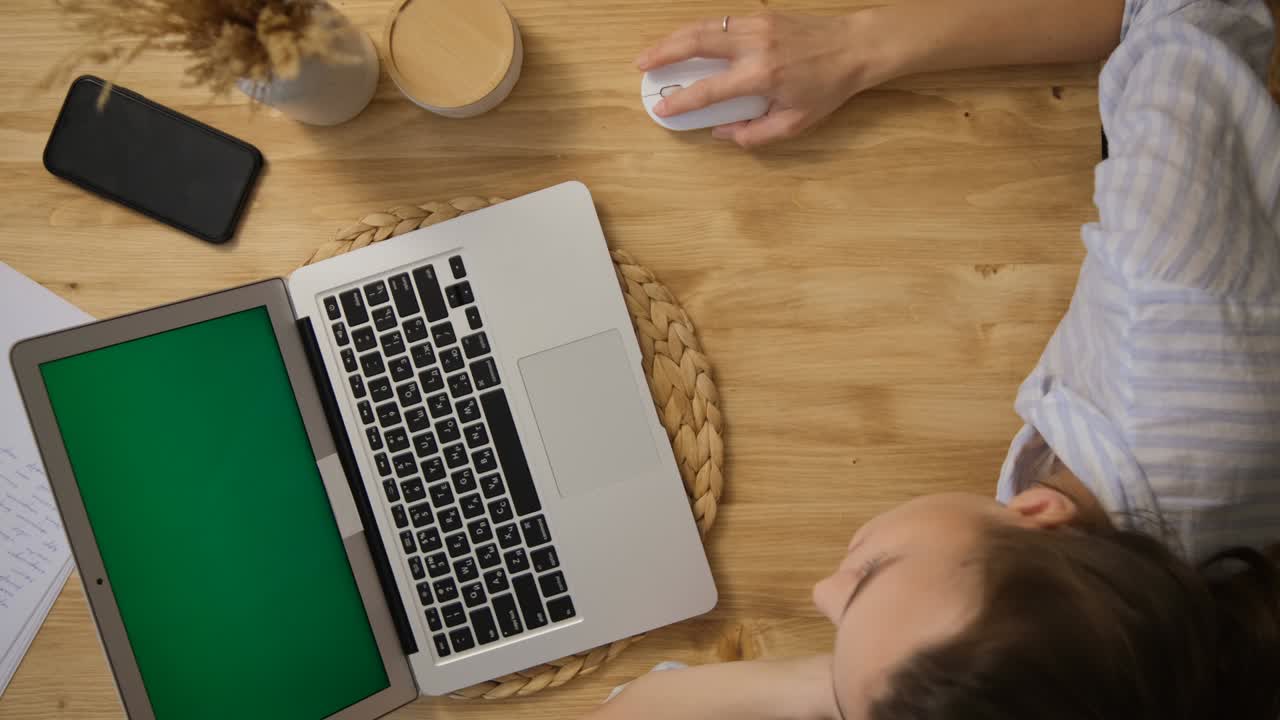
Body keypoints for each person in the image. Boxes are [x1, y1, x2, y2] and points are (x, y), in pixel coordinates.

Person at [590, 1, 1280, 718]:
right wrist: (852, 44)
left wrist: (850, 685)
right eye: (868, 574)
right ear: (1038, 514)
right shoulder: (1167, 293)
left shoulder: (1108, 655)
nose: (820, 591)